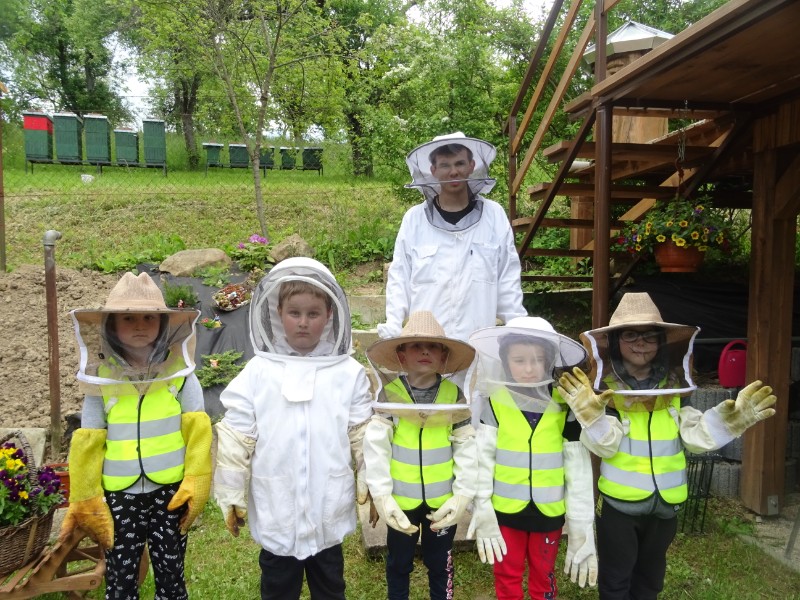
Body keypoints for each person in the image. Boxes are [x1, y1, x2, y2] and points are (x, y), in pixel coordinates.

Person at [557, 292, 777, 600]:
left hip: (665, 505)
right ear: (616, 341)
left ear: (661, 342)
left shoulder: (674, 388)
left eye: (649, 336)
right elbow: (605, 446)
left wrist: (729, 422)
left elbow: (695, 437)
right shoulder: (608, 392)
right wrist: (593, 419)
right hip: (619, 506)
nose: (641, 343)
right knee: (616, 579)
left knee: (651, 578)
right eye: (630, 335)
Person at [213, 257, 373, 600]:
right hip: (277, 511)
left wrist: (372, 480)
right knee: (277, 591)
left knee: (330, 590)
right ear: (277, 313)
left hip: (327, 511)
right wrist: (230, 491)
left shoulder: (348, 374)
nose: (303, 322)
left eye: (313, 313)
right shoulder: (257, 373)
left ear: (329, 315)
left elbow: (363, 433)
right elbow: (237, 435)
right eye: (294, 313)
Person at [61, 271, 210, 600]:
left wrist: (197, 477)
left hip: (170, 492)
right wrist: (85, 494)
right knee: (120, 574)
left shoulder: (180, 374)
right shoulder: (101, 379)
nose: (140, 325)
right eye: (128, 318)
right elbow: (89, 439)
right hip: (120, 495)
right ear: (111, 326)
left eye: (149, 317)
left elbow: (198, 428)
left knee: (171, 572)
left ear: (163, 324)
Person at [467, 316, 598, 599]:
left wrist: (581, 524)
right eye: (519, 360)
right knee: (507, 575)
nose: (529, 368)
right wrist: (482, 504)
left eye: (538, 360)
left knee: (543, 575)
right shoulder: (496, 401)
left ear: (550, 360)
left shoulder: (564, 404)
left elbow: (577, 467)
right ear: (505, 361)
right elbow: (483, 458)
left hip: (548, 513)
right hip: (506, 512)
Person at [363, 310, 477, 600]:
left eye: (433, 346)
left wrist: (463, 493)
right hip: (401, 501)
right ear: (401, 355)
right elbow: (377, 447)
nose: (425, 351)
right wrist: (381, 495)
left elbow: (465, 445)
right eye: (416, 345)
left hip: (443, 501)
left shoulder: (454, 395)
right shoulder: (389, 395)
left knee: (440, 564)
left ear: (443, 356)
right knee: (398, 563)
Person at [378, 132, 526, 344]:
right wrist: (393, 322)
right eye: (445, 165)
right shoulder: (414, 219)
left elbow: (508, 278)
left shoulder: (494, 216)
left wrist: (519, 327)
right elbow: (399, 278)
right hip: (426, 346)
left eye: (459, 163)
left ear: (471, 166)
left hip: (478, 342)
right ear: (433, 170)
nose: (453, 171)